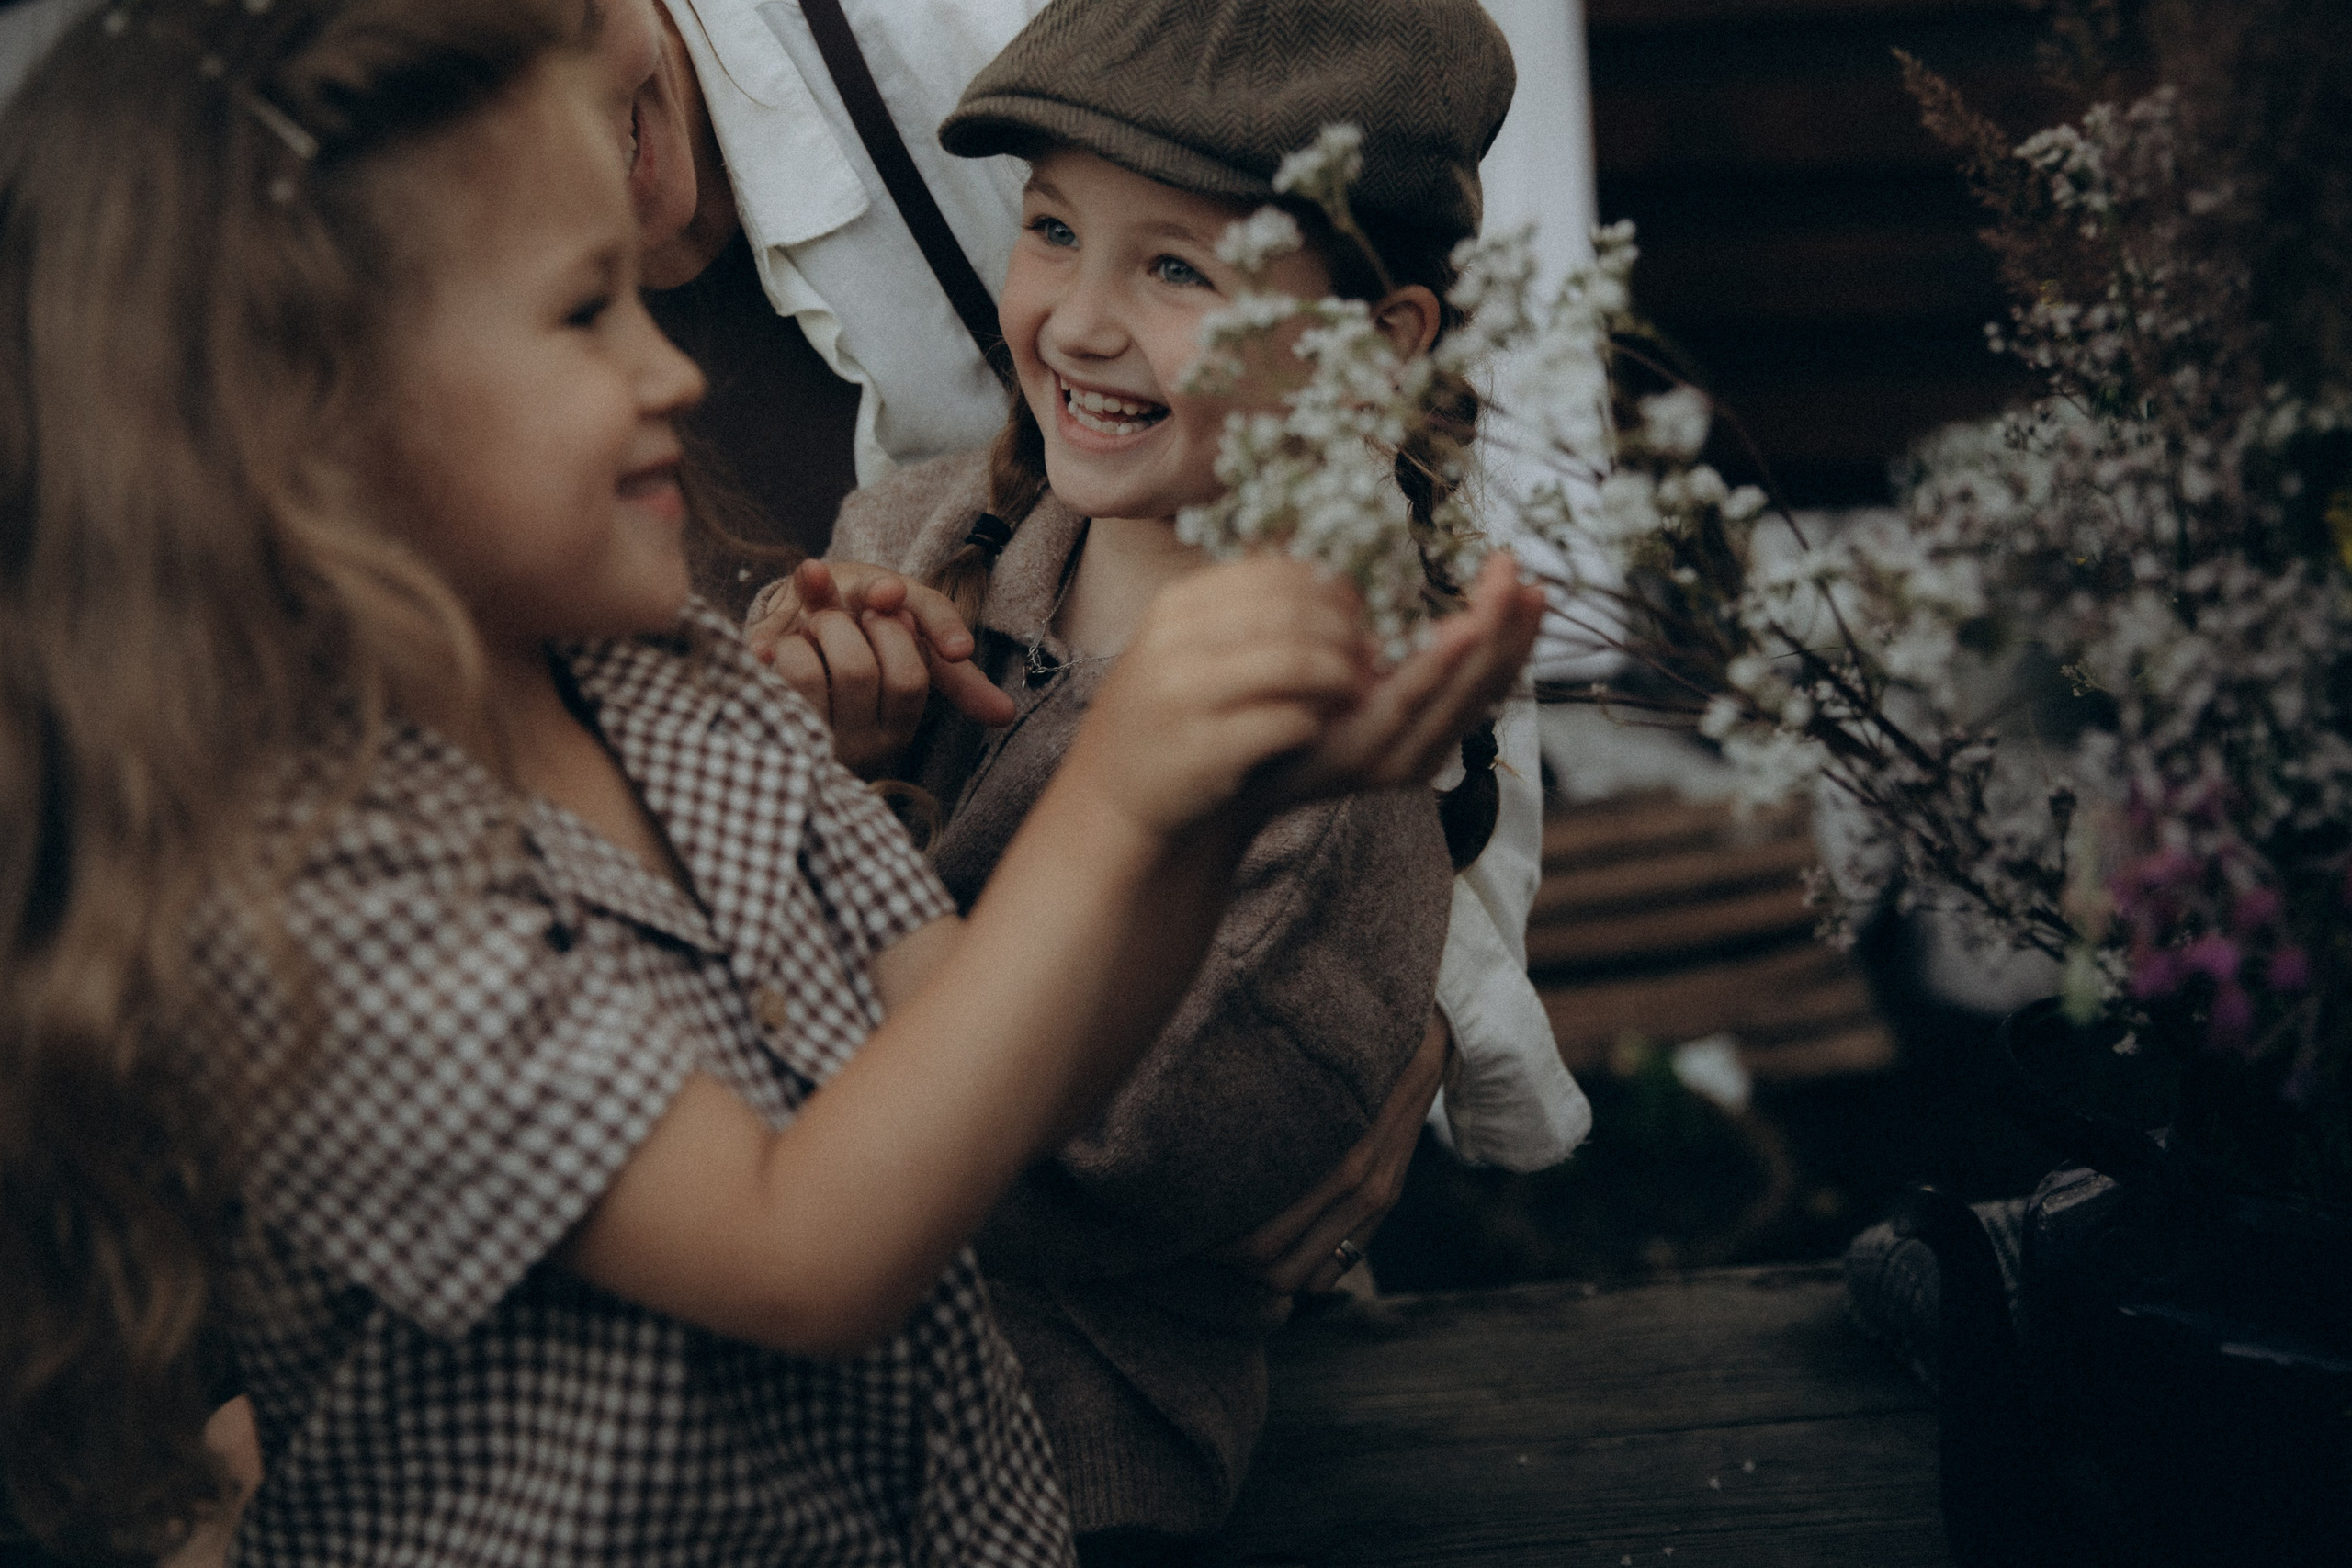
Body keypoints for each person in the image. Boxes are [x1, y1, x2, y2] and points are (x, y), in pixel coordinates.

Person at [0, 1, 1543, 1561]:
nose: (669, 367)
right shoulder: (329, 894)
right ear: (315, 415)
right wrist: (1125, 802)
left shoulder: (681, 691)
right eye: (581, 314)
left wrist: (1214, 812)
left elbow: (1007, 1069)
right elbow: (810, 1248)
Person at [601, 0, 1589, 1293]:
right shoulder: (911, 536)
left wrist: (1406, 988)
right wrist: (814, 766)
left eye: (1174, 269)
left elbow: (1449, 529)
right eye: (1048, 229)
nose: (1078, 319)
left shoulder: (1002, 36)